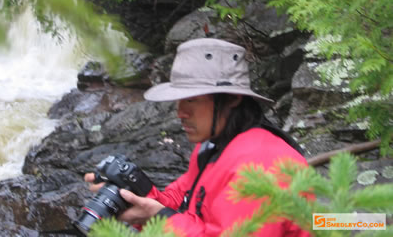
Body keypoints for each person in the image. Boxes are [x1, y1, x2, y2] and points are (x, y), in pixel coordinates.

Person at [85, 38, 310, 236]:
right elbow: (180, 201)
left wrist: (161, 219)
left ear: (231, 99)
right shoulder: (213, 148)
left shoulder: (262, 165)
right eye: (179, 99)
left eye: (192, 99)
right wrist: (133, 194)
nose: (180, 112)